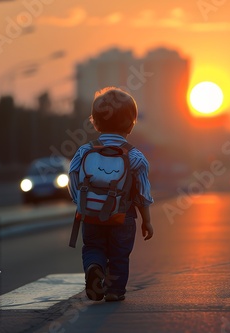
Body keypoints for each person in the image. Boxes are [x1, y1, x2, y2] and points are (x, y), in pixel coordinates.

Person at [68, 87, 154, 302]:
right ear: (131, 124)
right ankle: (115, 290)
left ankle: (94, 267)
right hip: (122, 216)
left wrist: (81, 202)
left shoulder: (84, 151)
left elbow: (73, 178)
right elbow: (142, 193)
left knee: (93, 247)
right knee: (119, 254)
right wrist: (147, 220)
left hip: (90, 214)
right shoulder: (136, 156)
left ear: (95, 122)